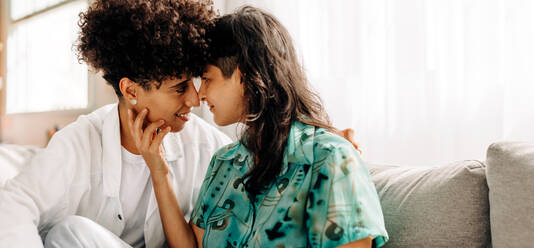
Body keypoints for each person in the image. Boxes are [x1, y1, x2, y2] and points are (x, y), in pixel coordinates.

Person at [130, 6, 388, 248]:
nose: (201, 95)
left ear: (245, 76)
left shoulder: (330, 159)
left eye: (207, 79)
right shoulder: (224, 162)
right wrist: (159, 172)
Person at [0, 1, 228, 247]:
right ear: (130, 90)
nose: (195, 100)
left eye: (193, 83)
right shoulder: (80, 142)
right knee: (68, 232)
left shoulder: (207, 144)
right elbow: (13, 205)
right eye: (179, 88)